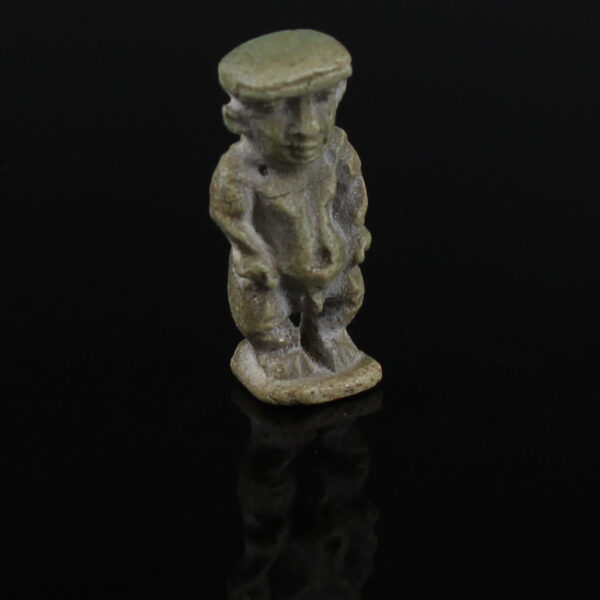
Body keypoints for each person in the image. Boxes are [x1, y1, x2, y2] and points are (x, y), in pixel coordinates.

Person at [210, 30, 381, 403]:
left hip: (331, 255)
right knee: (261, 309)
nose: (308, 126)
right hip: (272, 271)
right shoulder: (241, 170)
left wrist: (355, 229)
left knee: (347, 292)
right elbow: (229, 215)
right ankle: (278, 350)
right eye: (277, 108)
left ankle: (328, 334)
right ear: (238, 118)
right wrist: (251, 252)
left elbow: (352, 190)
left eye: (320, 100)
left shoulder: (335, 148)